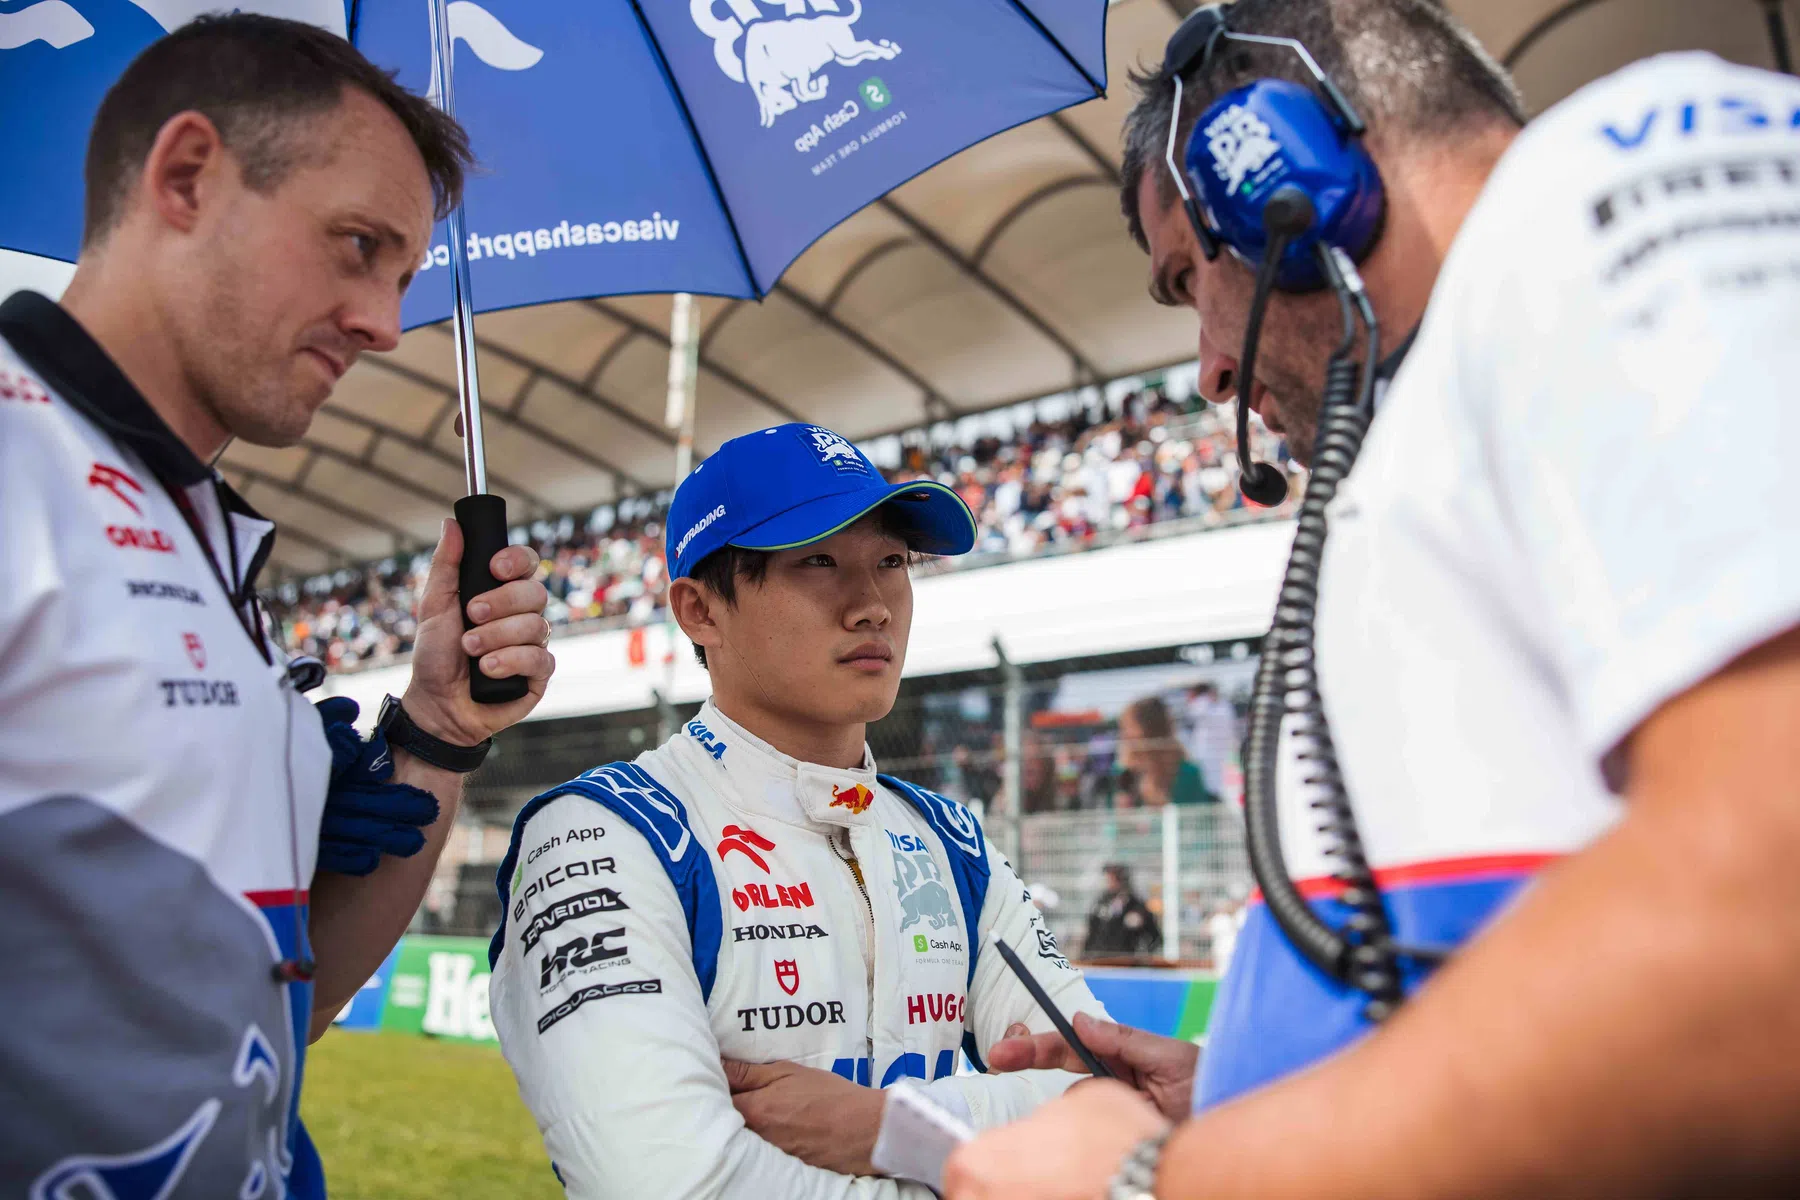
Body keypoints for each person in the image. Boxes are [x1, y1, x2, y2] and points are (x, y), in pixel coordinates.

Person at [943, 1, 1800, 1196]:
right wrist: (1241, 1089)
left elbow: (1769, 916)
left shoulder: (1615, 171)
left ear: (1288, 172)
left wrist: (1158, 1179)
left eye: (1192, 275)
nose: (1208, 369)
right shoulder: (1466, 381)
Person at [0, 17, 555, 1197]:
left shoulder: (209, 534)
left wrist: (439, 731)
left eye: (404, 279)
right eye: (357, 247)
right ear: (188, 176)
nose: (385, 323)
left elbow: (289, 999)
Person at [487, 423, 1110, 1198]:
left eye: (892, 562)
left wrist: (892, 1125)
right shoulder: (602, 836)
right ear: (699, 610)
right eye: (817, 561)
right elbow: (673, 1182)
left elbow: (1104, 1102)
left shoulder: (954, 845)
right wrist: (992, 1162)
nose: (873, 606)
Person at [1115, 695, 1215, 808]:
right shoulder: (1121, 773)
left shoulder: (1188, 773)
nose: (1124, 736)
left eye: (1130, 728)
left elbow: (1199, 819)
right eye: (1123, 728)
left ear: (1150, 730)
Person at [1083, 864, 1162, 960]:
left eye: (1113, 879)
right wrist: (1086, 955)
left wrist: (1142, 956)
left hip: (1124, 964)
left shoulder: (1136, 906)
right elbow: (1092, 932)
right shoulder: (1101, 902)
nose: (1109, 882)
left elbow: (1155, 937)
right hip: (1098, 961)